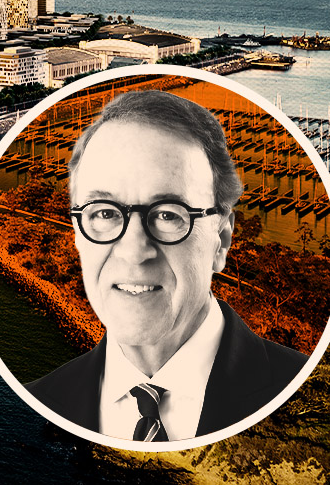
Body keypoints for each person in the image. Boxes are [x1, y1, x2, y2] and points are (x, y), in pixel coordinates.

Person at [25, 89, 307, 442]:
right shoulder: (35, 403)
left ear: (221, 240)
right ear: (78, 236)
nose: (133, 250)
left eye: (168, 215)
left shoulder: (309, 391)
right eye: (105, 213)